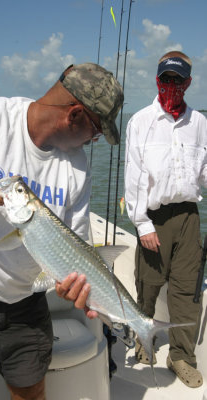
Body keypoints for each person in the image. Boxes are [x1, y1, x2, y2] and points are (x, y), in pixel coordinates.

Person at [0, 62, 124, 400]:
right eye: (96, 131)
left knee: (32, 393)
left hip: (27, 301)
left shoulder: (78, 167)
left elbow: (77, 246)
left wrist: (74, 286)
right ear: (75, 115)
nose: (95, 140)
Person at [124, 51, 207, 388]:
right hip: (154, 216)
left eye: (178, 80)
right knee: (148, 285)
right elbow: (134, 177)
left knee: (188, 291)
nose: (171, 85)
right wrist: (141, 224)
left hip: (189, 216)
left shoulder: (200, 123)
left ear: (188, 82)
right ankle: (145, 343)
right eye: (166, 78)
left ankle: (181, 356)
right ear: (158, 79)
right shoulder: (141, 121)